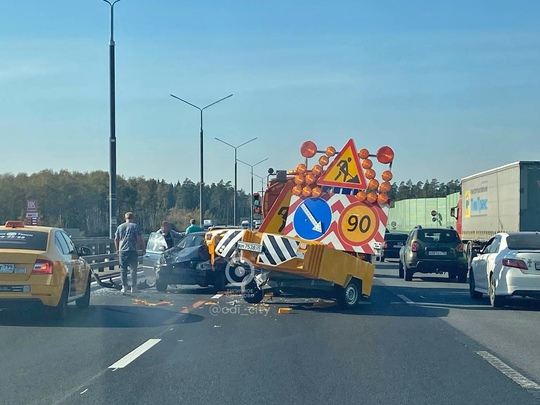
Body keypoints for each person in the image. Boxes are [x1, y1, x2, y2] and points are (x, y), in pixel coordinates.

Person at [114, 212, 146, 294]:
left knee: (123, 269)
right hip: (132, 250)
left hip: (122, 251)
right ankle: (133, 287)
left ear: (125, 218)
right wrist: (143, 248)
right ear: (133, 218)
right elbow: (139, 238)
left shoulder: (120, 227)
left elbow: (116, 239)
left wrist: (117, 249)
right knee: (133, 269)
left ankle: (124, 287)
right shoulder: (135, 226)